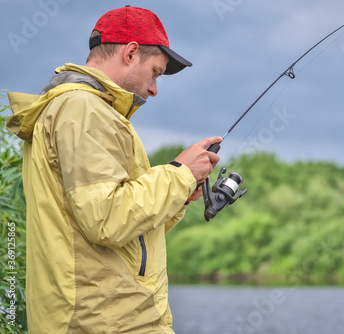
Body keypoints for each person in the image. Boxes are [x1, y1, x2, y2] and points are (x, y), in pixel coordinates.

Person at [6, 6, 220, 333]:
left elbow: (125, 237)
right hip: (103, 322)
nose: (154, 90)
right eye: (156, 73)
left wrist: (179, 194)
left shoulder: (86, 110)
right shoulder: (83, 109)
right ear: (131, 53)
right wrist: (178, 172)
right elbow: (107, 220)